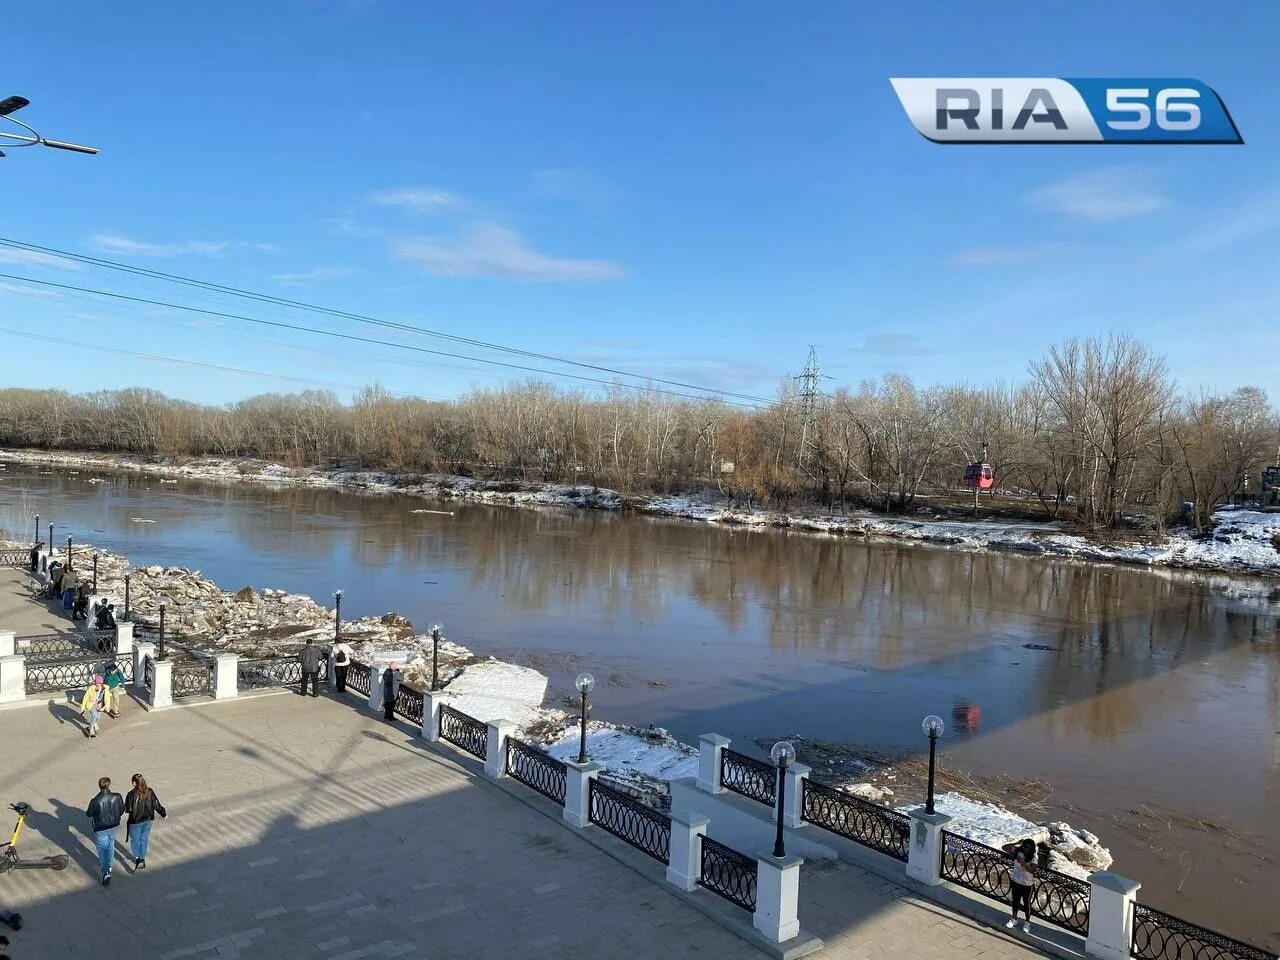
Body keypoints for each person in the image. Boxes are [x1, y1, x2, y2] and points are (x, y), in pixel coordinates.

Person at [85, 775, 125, 886]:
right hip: (114, 825)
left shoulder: (95, 800)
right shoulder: (117, 796)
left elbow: (89, 814)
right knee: (111, 844)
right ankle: (109, 866)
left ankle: (106, 871)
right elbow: (122, 810)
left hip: (100, 827)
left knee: (102, 849)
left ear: (100, 786)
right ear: (109, 785)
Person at [124, 773, 167, 871]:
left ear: (134, 783)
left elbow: (128, 809)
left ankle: (138, 858)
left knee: (135, 840)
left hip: (135, 821)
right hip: (148, 819)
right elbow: (156, 804)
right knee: (144, 838)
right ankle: (142, 857)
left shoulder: (131, 794)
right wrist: (163, 814)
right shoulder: (150, 791)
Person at [1002, 838, 1036, 933]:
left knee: (1026, 904)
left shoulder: (1033, 858)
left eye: (1028, 848)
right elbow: (1004, 847)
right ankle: (1014, 919)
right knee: (1015, 902)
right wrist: (1016, 843)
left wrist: (1023, 863)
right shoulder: (1018, 852)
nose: (1026, 849)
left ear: (1032, 849)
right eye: (1024, 846)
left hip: (1027, 884)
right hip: (1016, 882)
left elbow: (1033, 870)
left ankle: (1027, 922)